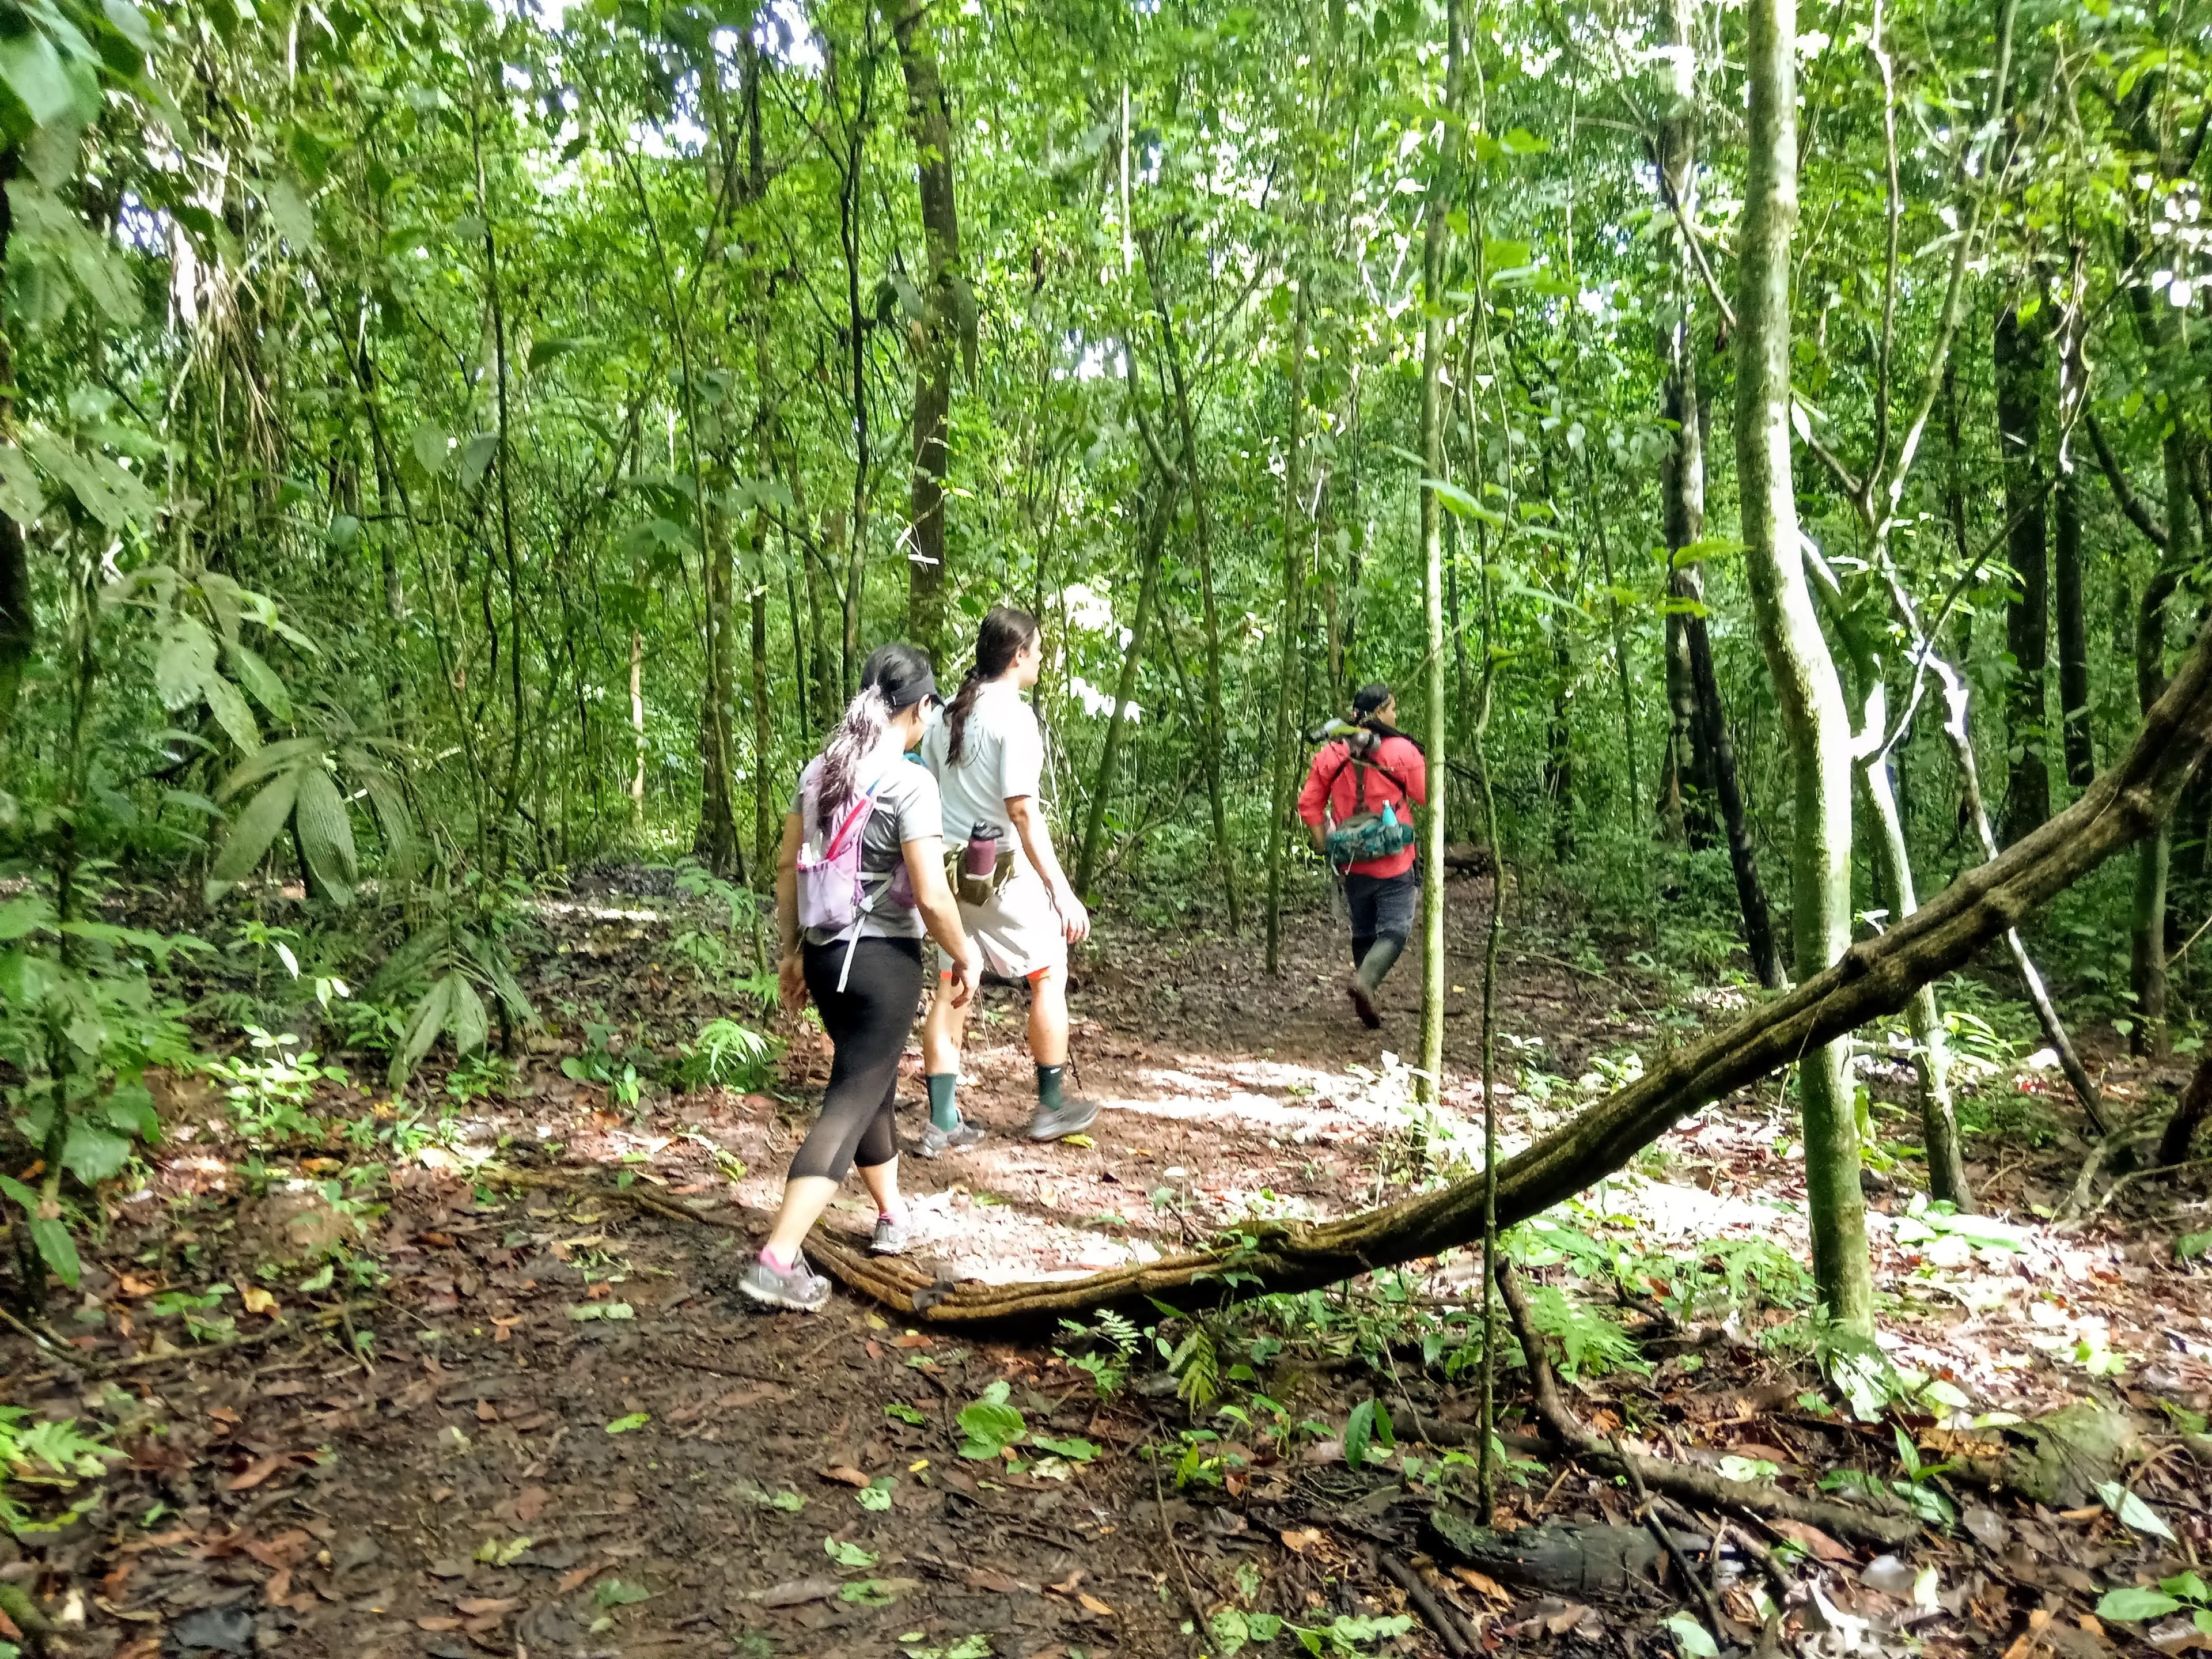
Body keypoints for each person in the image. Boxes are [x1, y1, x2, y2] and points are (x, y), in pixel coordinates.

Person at [739, 643, 982, 1314]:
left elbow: (788, 868)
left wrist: (789, 951)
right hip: (881, 965)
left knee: (866, 1084)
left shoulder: (820, 771)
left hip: (824, 958)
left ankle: (892, 1216)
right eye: (932, 707)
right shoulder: (909, 782)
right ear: (921, 708)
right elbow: (933, 898)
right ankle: (777, 1258)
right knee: (850, 1099)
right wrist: (967, 955)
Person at [916, 605, 1096, 1151]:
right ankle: (1050, 1106)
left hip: (947, 874)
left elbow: (925, 791)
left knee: (953, 984)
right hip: (999, 872)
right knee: (1047, 972)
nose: (1040, 660)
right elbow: (1021, 811)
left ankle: (942, 1122)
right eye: (1038, 651)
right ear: (1018, 656)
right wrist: (1061, 891)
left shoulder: (947, 712)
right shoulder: (1015, 718)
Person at [1297, 681, 1429, 1029]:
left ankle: (1366, 988)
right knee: (1396, 928)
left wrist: (1326, 844)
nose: (1396, 715)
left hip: (1353, 861)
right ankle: (1365, 983)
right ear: (1380, 713)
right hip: (1395, 859)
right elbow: (1427, 795)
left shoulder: (1331, 754)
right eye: (1392, 709)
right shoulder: (1402, 752)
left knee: (1364, 928)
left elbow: (1309, 805)